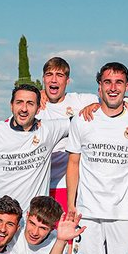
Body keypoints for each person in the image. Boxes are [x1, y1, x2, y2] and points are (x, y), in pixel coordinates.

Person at [66, 61, 128, 254]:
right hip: (89, 209)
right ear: (99, 86)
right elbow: (73, 162)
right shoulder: (83, 119)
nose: (113, 87)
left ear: (126, 87)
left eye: (119, 82)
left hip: (123, 211)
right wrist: (72, 204)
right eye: (107, 82)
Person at [0, 85, 71, 211]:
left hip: (34, 223)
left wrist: (95, 106)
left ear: (38, 108)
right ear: (11, 105)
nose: (24, 109)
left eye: (30, 104)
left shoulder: (48, 130)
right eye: (19, 102)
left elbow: (80, 122)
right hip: (1, 219)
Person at [37, 56, 99, 210]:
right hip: (39, 185)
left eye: (59, 75)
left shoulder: (80, 101)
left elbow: (116, 101)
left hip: (69, 186)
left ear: (67, 81)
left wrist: (96, 105)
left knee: (67, 232)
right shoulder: (34, 104)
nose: (54, 80)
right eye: (49, 75)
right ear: (43, 79)